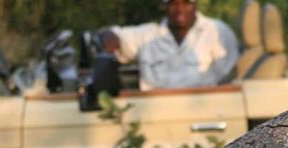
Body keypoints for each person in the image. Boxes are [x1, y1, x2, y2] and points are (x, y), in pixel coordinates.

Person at [97, 0, 240, 91]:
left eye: (186, 2)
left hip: (204, 115)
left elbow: (229, 80)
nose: (179, 9)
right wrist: (108, 37)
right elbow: (113, 35)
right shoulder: (148, 34)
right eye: (173, 3)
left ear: (195, 4)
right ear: (165, 5)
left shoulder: (218, 31)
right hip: (154, 114)